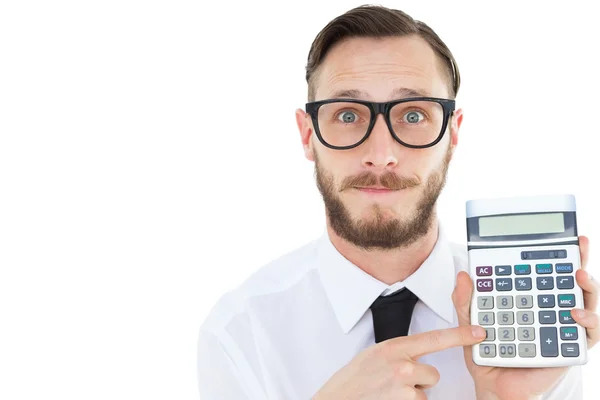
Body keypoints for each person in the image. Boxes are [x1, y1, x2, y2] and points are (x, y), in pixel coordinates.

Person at [197, 5, 599, 399]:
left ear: (452, 135)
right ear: (308, 134)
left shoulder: (536, 323)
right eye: (348, 115)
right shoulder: (240, 333)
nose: (381, 153)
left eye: (412, 115)